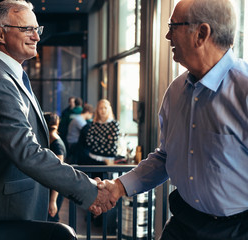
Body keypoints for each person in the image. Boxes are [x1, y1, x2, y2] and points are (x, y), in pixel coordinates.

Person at [0, 0, 115, 223]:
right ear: (0, 34)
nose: (37, 36)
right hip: (0, 214)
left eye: (37, 29)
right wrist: (89, 189)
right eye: (27, 29)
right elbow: (27, 151)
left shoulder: (5, 73)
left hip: (10, 208)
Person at [101, 0, 248, 239]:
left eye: (173, 26)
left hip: (236, 230)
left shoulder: (244, 90)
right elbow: (166, 156)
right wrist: (119, 187)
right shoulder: (176, 90)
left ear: (201, 33)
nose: (168, 35)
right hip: (183, 222)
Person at [79, 99, 119, 166]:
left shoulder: (114, 124)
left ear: (109, 109)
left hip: (108, 160)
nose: (103, 110)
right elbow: (89, 141)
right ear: (97, 110)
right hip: (93, 158)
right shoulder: (93, 124)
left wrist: (97, 139)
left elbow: (112, 142)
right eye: (101, 108)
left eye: (105, 108)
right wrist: (106, 138)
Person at [43, 112, 66, 222]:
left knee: (51, 220)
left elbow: (59, 174)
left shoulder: (57, 146)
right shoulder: (51, 141)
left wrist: (53, 201)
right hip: (50, 187)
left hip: (55, 190)